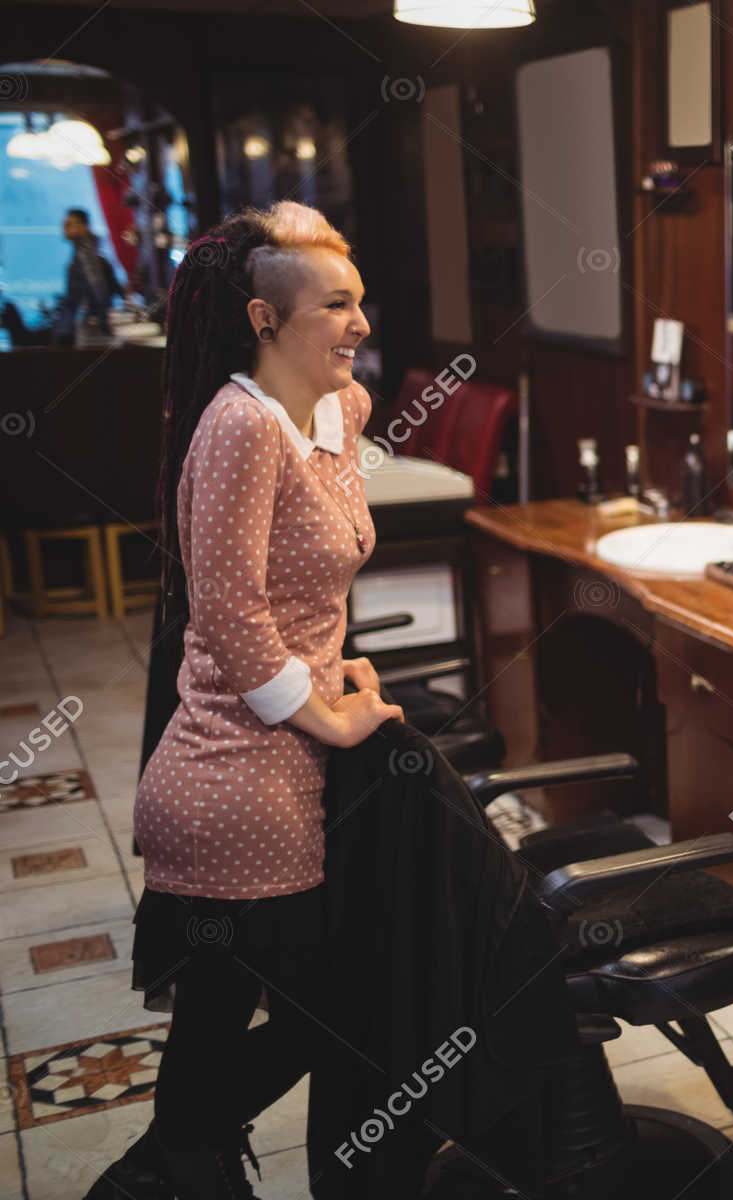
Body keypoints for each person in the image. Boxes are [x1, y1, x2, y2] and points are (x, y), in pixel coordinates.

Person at [85, 201, 403, 1200]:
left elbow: (313, 583)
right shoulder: (236, 427)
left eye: (360, 301)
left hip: (280, 771)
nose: (359, 324)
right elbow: (227, 619)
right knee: (334, 1010)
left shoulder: (335, 411)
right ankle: (177, 1153)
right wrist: (330, 714)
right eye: (335, 306)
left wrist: (340, 666)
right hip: (235, 781)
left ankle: (176, 1158)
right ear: (265, 320)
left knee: (220, 1010)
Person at [53, 207, 121, 342]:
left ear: (83, 227)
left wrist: (95, 316)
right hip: (86, 322)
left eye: (69, 224)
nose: (64, 227)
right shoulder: (84, 252)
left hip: (89, 326)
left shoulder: (86, 253)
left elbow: (98, 287)